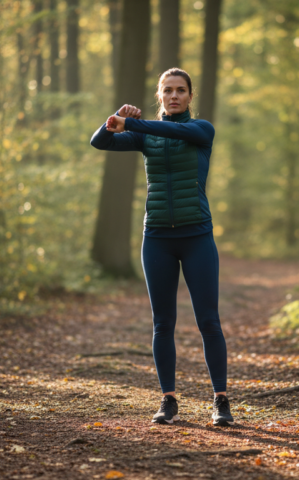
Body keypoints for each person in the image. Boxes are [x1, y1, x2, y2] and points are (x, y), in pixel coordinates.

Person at [90, 68, 233, 426]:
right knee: (162, 323)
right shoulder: (146, 137)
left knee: (208, 321)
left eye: (180, 91)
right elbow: (100, 142)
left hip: (197, 235)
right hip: (156, 238)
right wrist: (117, 119)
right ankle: (168, 399)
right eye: (167, 90)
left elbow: (172, 129)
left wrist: (135, 125)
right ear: (159, 96)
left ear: (189, 96)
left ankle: (221, 401)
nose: (173, 96)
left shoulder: (201, 130)